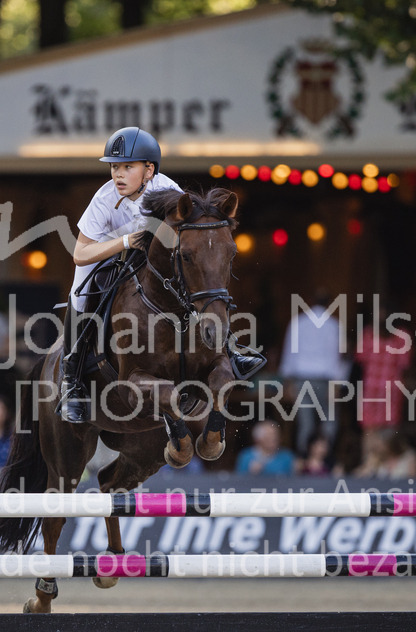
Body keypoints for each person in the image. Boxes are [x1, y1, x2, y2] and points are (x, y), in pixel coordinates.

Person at [57, 126, 265, 423]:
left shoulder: (168, 192)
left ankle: (230, 350)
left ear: (149, 169)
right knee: (80, 293)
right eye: (115, 167)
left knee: (196, 281)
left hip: (152, 259)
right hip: (106, 257)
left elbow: (188, 241)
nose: (118, 174)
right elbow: (80, 254)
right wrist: (127, 241)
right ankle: (72, 381)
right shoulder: (103, 199)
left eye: (127, 167)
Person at [279, 289, 347, 466]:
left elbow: (289, 352)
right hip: (325, 378)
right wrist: (337, 383)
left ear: (310, 301)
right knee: (329, 419)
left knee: (305, 421)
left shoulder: (298, 322)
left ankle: (305, 458)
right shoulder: (334, 325)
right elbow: (337, 355)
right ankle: (326, 457)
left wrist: (287, 381)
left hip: (302, 378)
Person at [352, 312, 413, 477]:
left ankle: (385, 466)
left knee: (387, 431)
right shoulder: (370, 333)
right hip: (373, 389)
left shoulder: (400, 336)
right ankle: (369, 465)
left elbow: (405, 365)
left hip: (388, 390)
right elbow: (359, 358)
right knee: (370, 429)